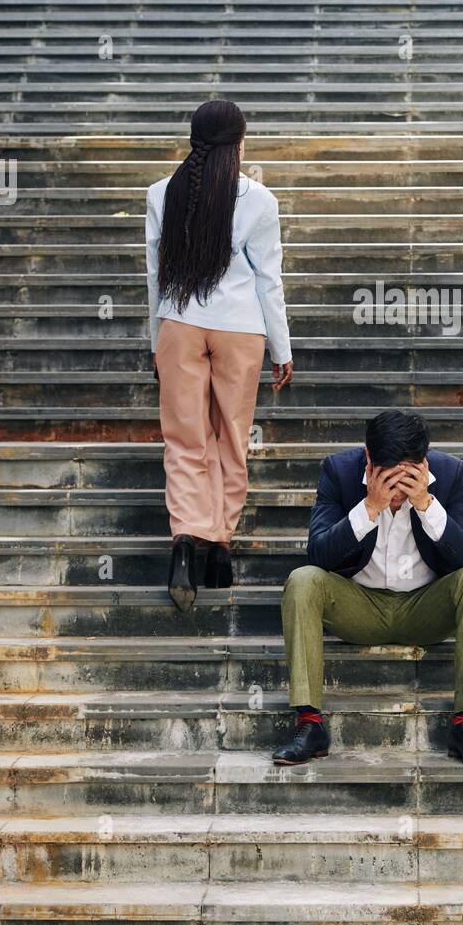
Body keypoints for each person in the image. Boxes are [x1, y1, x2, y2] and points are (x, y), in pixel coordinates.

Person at [273, 409, 463, 766]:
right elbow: (318, 553)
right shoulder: (339, 471)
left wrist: (425, 504)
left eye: (405, 480)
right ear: (368, 459)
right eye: (389, 480)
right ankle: (309, 722)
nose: (397, 493)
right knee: (302, 580)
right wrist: (370, 507)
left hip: (425, 607)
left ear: (422, 464)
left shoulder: (451, 473)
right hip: (358, 605)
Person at [145, 99, 293, 612]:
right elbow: (269, 280)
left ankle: (185, 542)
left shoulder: (161, 193)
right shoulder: (259, 199)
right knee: (232, 435)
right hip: (241, 329)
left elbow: (154, 277)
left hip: (180, 323)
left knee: (185, 440)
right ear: (240, 142)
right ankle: (221, 548)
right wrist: (283, 346)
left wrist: (154, 338)